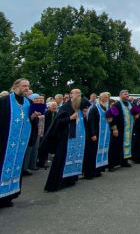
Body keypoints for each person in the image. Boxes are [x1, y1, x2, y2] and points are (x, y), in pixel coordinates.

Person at [0, 79, 38, 208]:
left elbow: (32, 120)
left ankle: (9, 196)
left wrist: (34, 117)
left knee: (17, 168)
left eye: (28, 86)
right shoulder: (5, 101)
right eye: (24, 86)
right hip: (5, 142)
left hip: (20, 144)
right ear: (16, 86)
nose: (27, 88)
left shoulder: (29, 102)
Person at [42, 89, 90, 192]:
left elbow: (87, 104)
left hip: (78, 139)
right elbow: (58, 123)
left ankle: (71, 179)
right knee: (61, 160)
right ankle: (55, 184)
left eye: (79, 94)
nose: (78, 95)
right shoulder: (65, 107)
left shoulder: (81, 108)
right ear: (70, 95)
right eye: (75, 93)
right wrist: (70, 118)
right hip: (66, 138)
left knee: (74, 158)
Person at [84, 92, 111, 179]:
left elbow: (109, 120)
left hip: (104, 135)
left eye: (107, 97)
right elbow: (90, 122)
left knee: (101, 152)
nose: (107, 99)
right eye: (105, 97)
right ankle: (90, 172)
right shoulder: (94, 108)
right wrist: (93, 134)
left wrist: (110, 120)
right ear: (101, 98)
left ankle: (98, 170)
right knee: (92, 153)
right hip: (96, 135)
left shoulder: (106, 108)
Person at [108, 90, 133, 170]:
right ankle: (111, 165)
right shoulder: (117, 105)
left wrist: (136, 115)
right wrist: (114, 129)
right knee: (115, 147)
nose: (127, 95)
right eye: (125, 94)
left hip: (127, 130)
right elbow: (112, 118)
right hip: (119, 130)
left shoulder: (129, 104)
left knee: (126, 147)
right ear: (120, 95)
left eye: (127, 94)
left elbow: (135, 112)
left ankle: (124, 162)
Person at [37, 101, 58, 168]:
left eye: (55, 106)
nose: (54, 107)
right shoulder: (46, 113)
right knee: (43, 148)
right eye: (53, 106)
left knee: (47, 148)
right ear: (49, 107)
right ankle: (41, 162)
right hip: (45, 132)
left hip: (52, 133)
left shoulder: (56, 113)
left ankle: (45, 161)